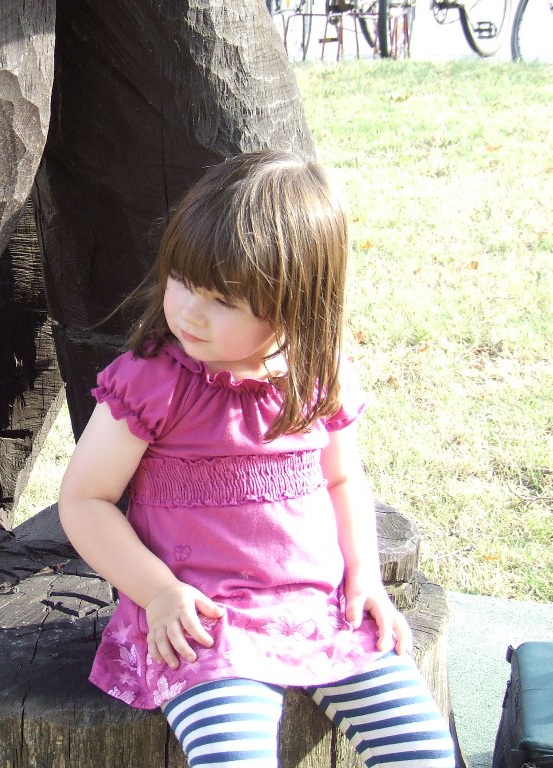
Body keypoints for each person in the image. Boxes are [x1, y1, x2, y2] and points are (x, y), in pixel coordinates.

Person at [58, 151, 457, 767]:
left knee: (422, 749)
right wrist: (157, 593)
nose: (189, 310)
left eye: (222, 299)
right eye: (182, 279)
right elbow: (85, 500)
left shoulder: (317, 376)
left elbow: (343, 479)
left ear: (297, 303)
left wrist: (365, 575)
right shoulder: (153, 382)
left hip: (320, 612)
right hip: (201, 623)